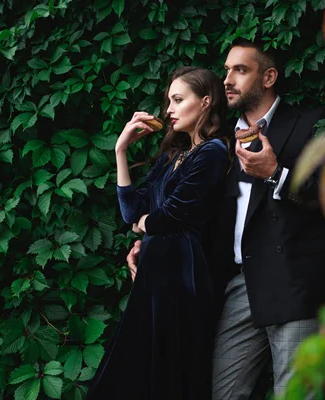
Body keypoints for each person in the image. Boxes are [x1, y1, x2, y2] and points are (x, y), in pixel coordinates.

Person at [127, 39, 325, 399]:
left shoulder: (310, 124)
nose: (227, 79)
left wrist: (276, 172)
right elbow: (192, 211)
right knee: (224, 393)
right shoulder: (217, 143)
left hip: (295, 284)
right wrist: (151, 245)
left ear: (269, 77)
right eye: (227, 70)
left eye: (241, 70)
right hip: (237, 286)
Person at [86, 66, 231, 400]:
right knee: (134, 367)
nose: (168, 109)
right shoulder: (172, 155)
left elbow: (170, 216)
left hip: (182, 271)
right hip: (156, 270)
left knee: (167, 369)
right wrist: (121, 151)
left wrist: (146, 223)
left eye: (178, 100)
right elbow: (130, 213)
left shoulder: (212, 152)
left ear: (205, 102)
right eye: (169, 101)